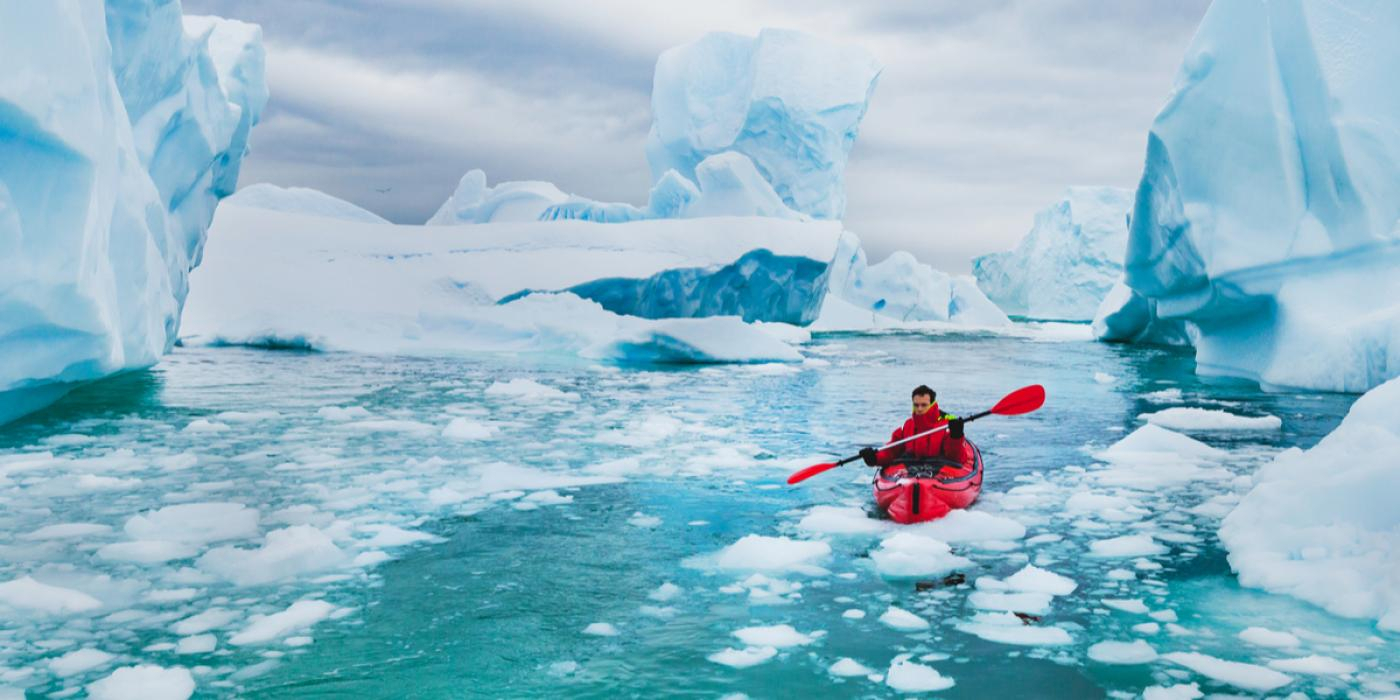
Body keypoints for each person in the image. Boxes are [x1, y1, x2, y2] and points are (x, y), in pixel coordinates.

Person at [860, 385, 964, 468]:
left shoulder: (946, 427)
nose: (919, 409)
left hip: (939, 472)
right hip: (912, 471)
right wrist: (874, 458)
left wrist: (956, 436)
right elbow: (891, 451)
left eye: (924, 405)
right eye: (916, 405)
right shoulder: (908, 425)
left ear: (932, 405)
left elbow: (956, 457)